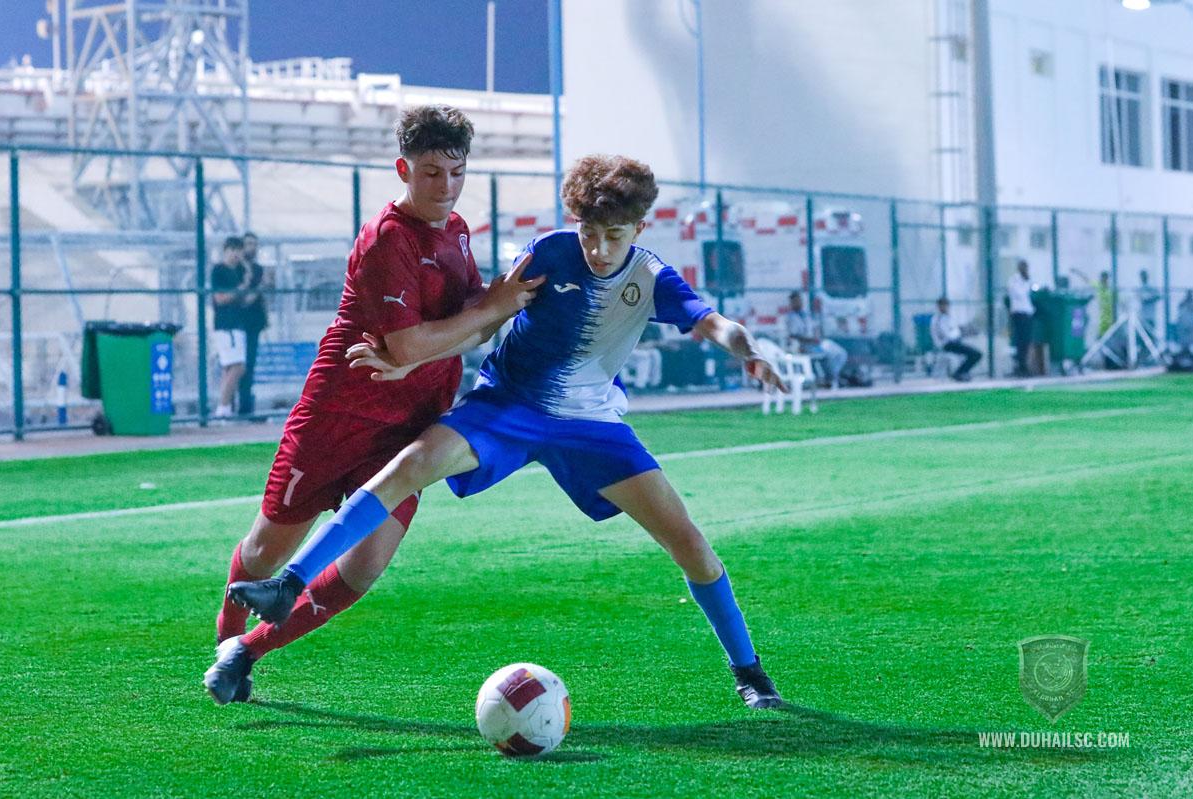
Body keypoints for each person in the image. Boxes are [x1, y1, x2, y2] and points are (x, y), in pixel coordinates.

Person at [225, 154, 788, 710]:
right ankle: (289, 583)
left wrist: (748, 350)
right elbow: (486, 322)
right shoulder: (548, 254)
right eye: (589, 233)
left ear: (639, 229)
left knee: (690, 545)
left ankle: (749, 672)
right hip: (507, 406)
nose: (598, 249)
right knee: (407, 467)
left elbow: (714, 323)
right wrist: (408, 362)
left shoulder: (651, 277)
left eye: (613, 237)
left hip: (591, 424)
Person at [202, 105, 543, 704]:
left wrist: (483, 315)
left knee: (362, 569)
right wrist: (487, 311)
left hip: (408, 427)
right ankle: (224, 640)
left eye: (457, 172)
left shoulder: (458, 231)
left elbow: (474, 330)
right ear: (403, 169)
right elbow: (414, 340)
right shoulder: (388, 237)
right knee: (264, 551)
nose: (446, 187)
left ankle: (244, 654)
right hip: (338, 416)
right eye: (432, 173)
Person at [210, 236, 248, 417]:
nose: (235, 254)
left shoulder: (240, 271)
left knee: (230, 367)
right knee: (237, 366)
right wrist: (238, 291)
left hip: (238, 323)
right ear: (225, 251)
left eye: (238, 250)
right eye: (232, 250)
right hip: (226, 325)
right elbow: (220, 298)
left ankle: (225, 408)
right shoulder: (218, 270)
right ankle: (223, 407)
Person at [783, 290, 847, 388]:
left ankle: (834, 377)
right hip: (805, 345)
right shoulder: (791, 317)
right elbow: (794, 335)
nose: (799, 303)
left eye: (799, 300)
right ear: (791, 303)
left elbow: (814, 327)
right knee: (827, 355)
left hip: (817, 342)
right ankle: (831, 379)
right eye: (795, 301)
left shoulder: (806, 314)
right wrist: (811, 340)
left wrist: (817, 336)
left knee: (840, 353)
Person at [238, 231, 268, 418]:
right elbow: (244, 299)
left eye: (254, 244)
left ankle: (246, 404)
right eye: (249, 244)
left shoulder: (257, 269)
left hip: (254, 324)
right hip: (238, 323)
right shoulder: (237, 269)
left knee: (249, 363)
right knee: (238, 365)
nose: (252, 248)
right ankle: (238, 404)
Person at [930, 297, 981, 382]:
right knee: (976, 354)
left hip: (953, 343)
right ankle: (959, 373)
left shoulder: (946, 317)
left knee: (976, 354)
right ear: (938, 306)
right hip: (947, 345)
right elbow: (946, 335)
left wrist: (963, 331)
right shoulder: (938, 319)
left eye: (946, 305)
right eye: (943, 305)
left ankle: (961, 372)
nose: (945, 307)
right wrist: (961, 332)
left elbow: (953, 329)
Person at [1006, 260, 1034, 377]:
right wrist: (1026, 283)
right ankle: (1020, 366)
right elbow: (1020, 294)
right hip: (1019, 313)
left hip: (1027, 313)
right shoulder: (1014, 280)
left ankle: (1024, 366)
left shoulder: (1027, 279)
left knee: (1026, 341)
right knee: (1020, 341)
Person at [1137, 269, 1160, 338]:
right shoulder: (1140, 289)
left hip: (1150, 316)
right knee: (1143, 336)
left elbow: (1158, 296)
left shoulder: (1151, 288)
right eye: (1142, 276)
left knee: (1151, 335)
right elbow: (1141, 298)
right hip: (1143, 317)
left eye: (1144, 276)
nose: (1143, 278)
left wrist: (1149, 298)